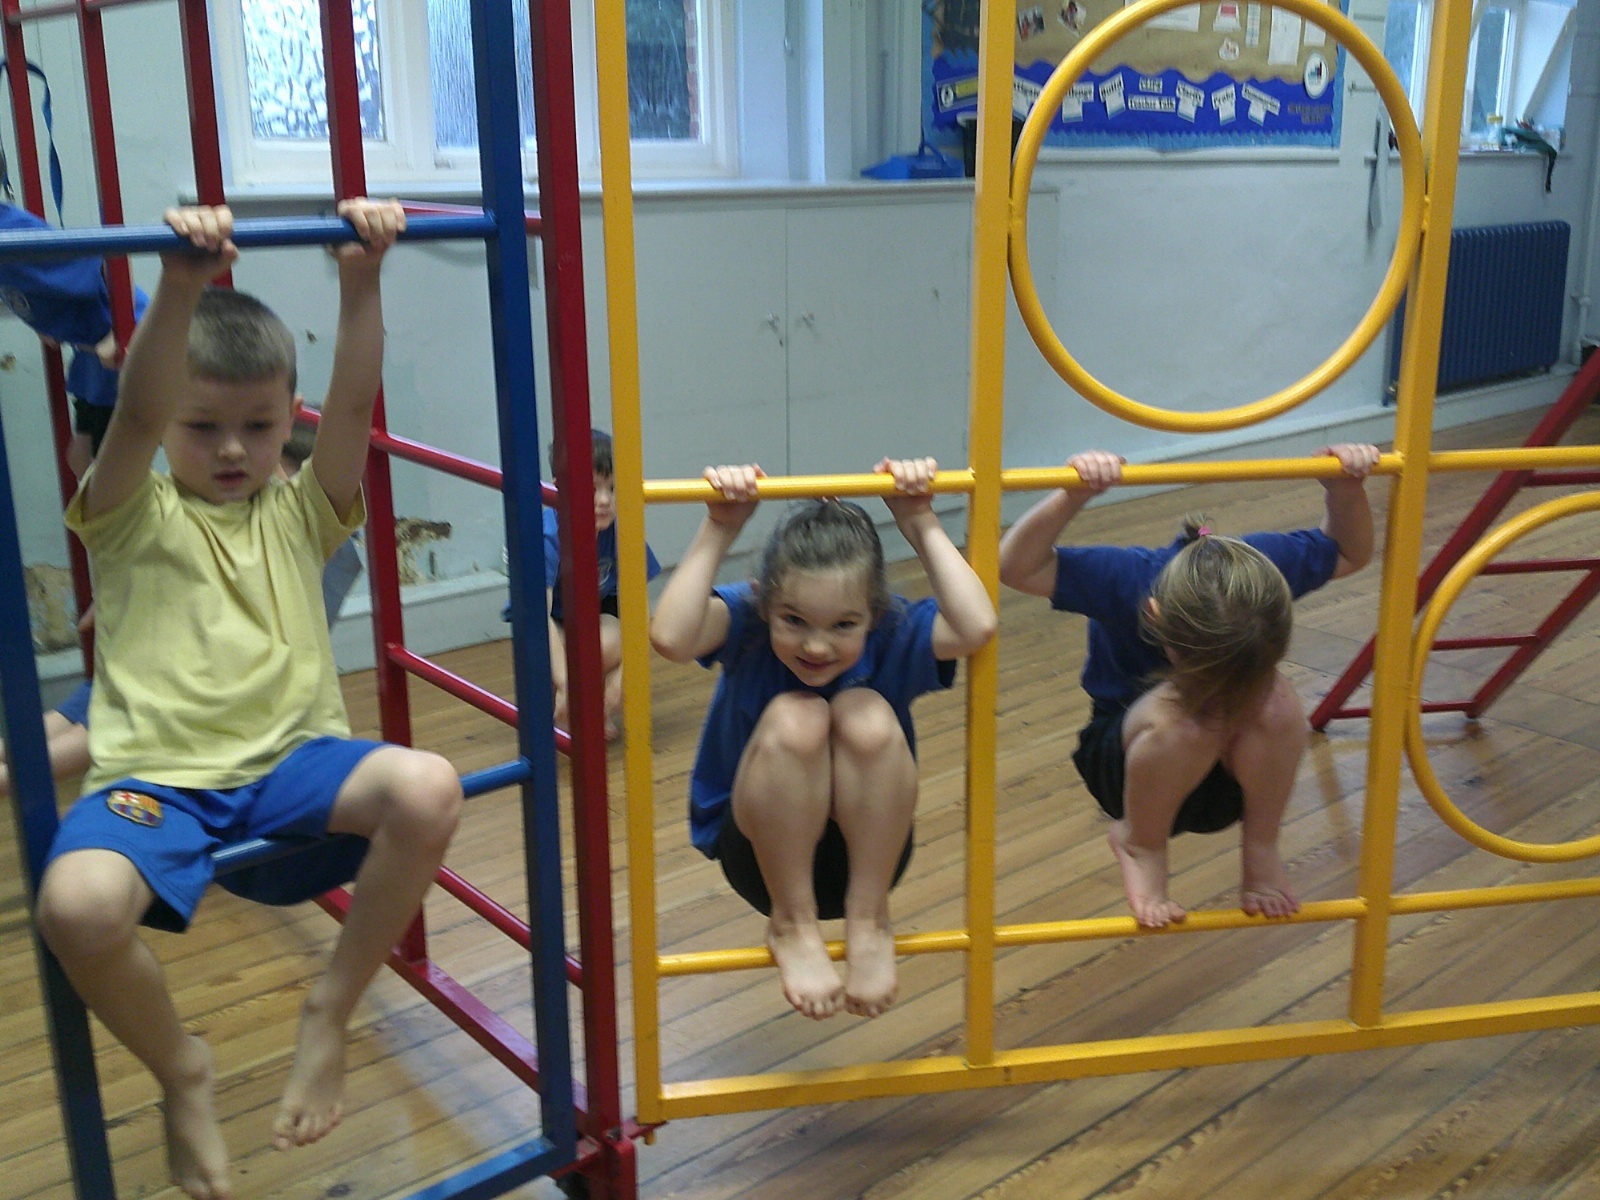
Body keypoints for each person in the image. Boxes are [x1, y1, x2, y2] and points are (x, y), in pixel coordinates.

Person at [33, 201, 463, 1200]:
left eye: (260, 428)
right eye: (204, 427)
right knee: (76, 907)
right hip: (156, 780)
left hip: (291, 763)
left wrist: (362, 279)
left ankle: (330, 1010)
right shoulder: (129, 511)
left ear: (287, 419)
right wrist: (180, 285)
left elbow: (351, 410)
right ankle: (181, 1068)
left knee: (430, 786)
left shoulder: (302, 512)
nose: (233, 450)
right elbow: (138, 413)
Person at [650, 458, 995, 1020]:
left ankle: (870, 921)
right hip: (761, 858)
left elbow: (977, 626)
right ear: (764, 604)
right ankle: (791, 923)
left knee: (865, 713)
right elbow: (670, 636)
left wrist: (919, 519)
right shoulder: (748, 627)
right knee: (800, 717)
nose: (816, 646)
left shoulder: (893, 632)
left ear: (874, 616)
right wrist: (721, 525)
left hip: (868, 861)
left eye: (843, 625)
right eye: (793, 620)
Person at [997, 444, 1379, 929]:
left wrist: (1345, 490)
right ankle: (1140, 845)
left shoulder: (1261, 573)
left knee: (1277, 700)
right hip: (1131, 770)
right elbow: (1015, 567)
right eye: (1206, 665)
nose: (1219, 681)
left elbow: (1348, 551)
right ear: (1154, 618)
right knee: (1189, 715)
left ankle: (1262, 846)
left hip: (1230, 779)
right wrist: (1071, 495)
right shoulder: (1130, 582)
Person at [0, 420, 364, 801]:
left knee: (91, 731)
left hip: (208, 685)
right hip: (166, 662)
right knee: (74, 714)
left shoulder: (303, 533)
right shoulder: (215, 517)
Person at [537, 428, 659, 740]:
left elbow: (639, 612)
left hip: (589, 618)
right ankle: (565, 706)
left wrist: (624, 676)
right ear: (559, 489)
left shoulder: (621, 532)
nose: (604, 500)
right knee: (547, 654)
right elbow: (538, 618)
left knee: (608, 640)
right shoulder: (548, 536)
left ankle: (591, 707)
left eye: (613, 488)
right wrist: (565, 684)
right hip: (548, 624)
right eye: (591, 489)